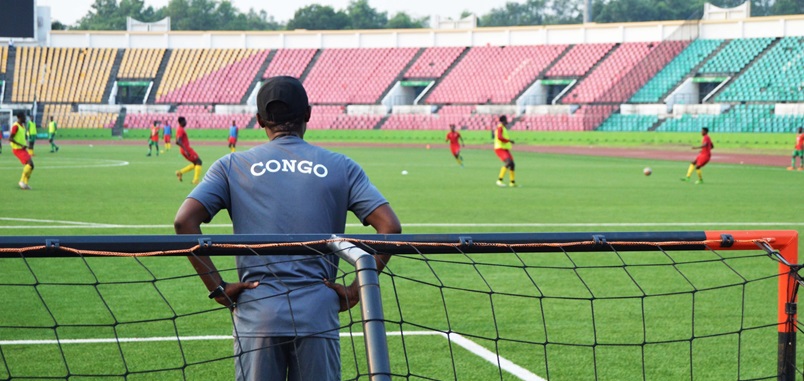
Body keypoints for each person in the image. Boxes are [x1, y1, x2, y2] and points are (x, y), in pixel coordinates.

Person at [173, 76, 402, 381]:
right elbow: (390, 227)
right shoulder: (341, 166)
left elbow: (183, 221)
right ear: (307, 114)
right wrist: (356, 290)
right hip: (318, 311)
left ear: (258, 120)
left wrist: (218, 288)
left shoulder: (232, 165)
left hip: (257, 313)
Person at [174, 116, 204, 184]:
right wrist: (186, 150)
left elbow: (176, 141)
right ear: (181, 122)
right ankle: (195, 180)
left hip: (184, 149)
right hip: (186, 149)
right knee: (199, 162)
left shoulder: (179, 129)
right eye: (185, 121)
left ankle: (180, 172)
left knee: (196, 163)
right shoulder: (180, 129)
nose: (186, 122)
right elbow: (178, 141)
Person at [9, 112, 33, 190]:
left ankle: (25, 183)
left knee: (31, 166)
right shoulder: (15, 126)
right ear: (19, 117)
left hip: (22, 149)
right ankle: (22, 181)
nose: (25, 119)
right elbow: (10, 138)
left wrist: (24, 145)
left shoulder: (22, 126)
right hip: (17, 149)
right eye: (23, 117)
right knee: (30, 164)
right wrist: (20, 145)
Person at [494, 115, 517, 187]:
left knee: (512, 164)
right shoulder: (500, 127)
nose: (507, 121)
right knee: (509, 162)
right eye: (506, 120)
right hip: (500, 148)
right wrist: (509, 140)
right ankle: (499, 180)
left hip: (504, 148)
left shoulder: (503, 128)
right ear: (504, 120)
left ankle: (512, 182)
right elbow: (499, 137)